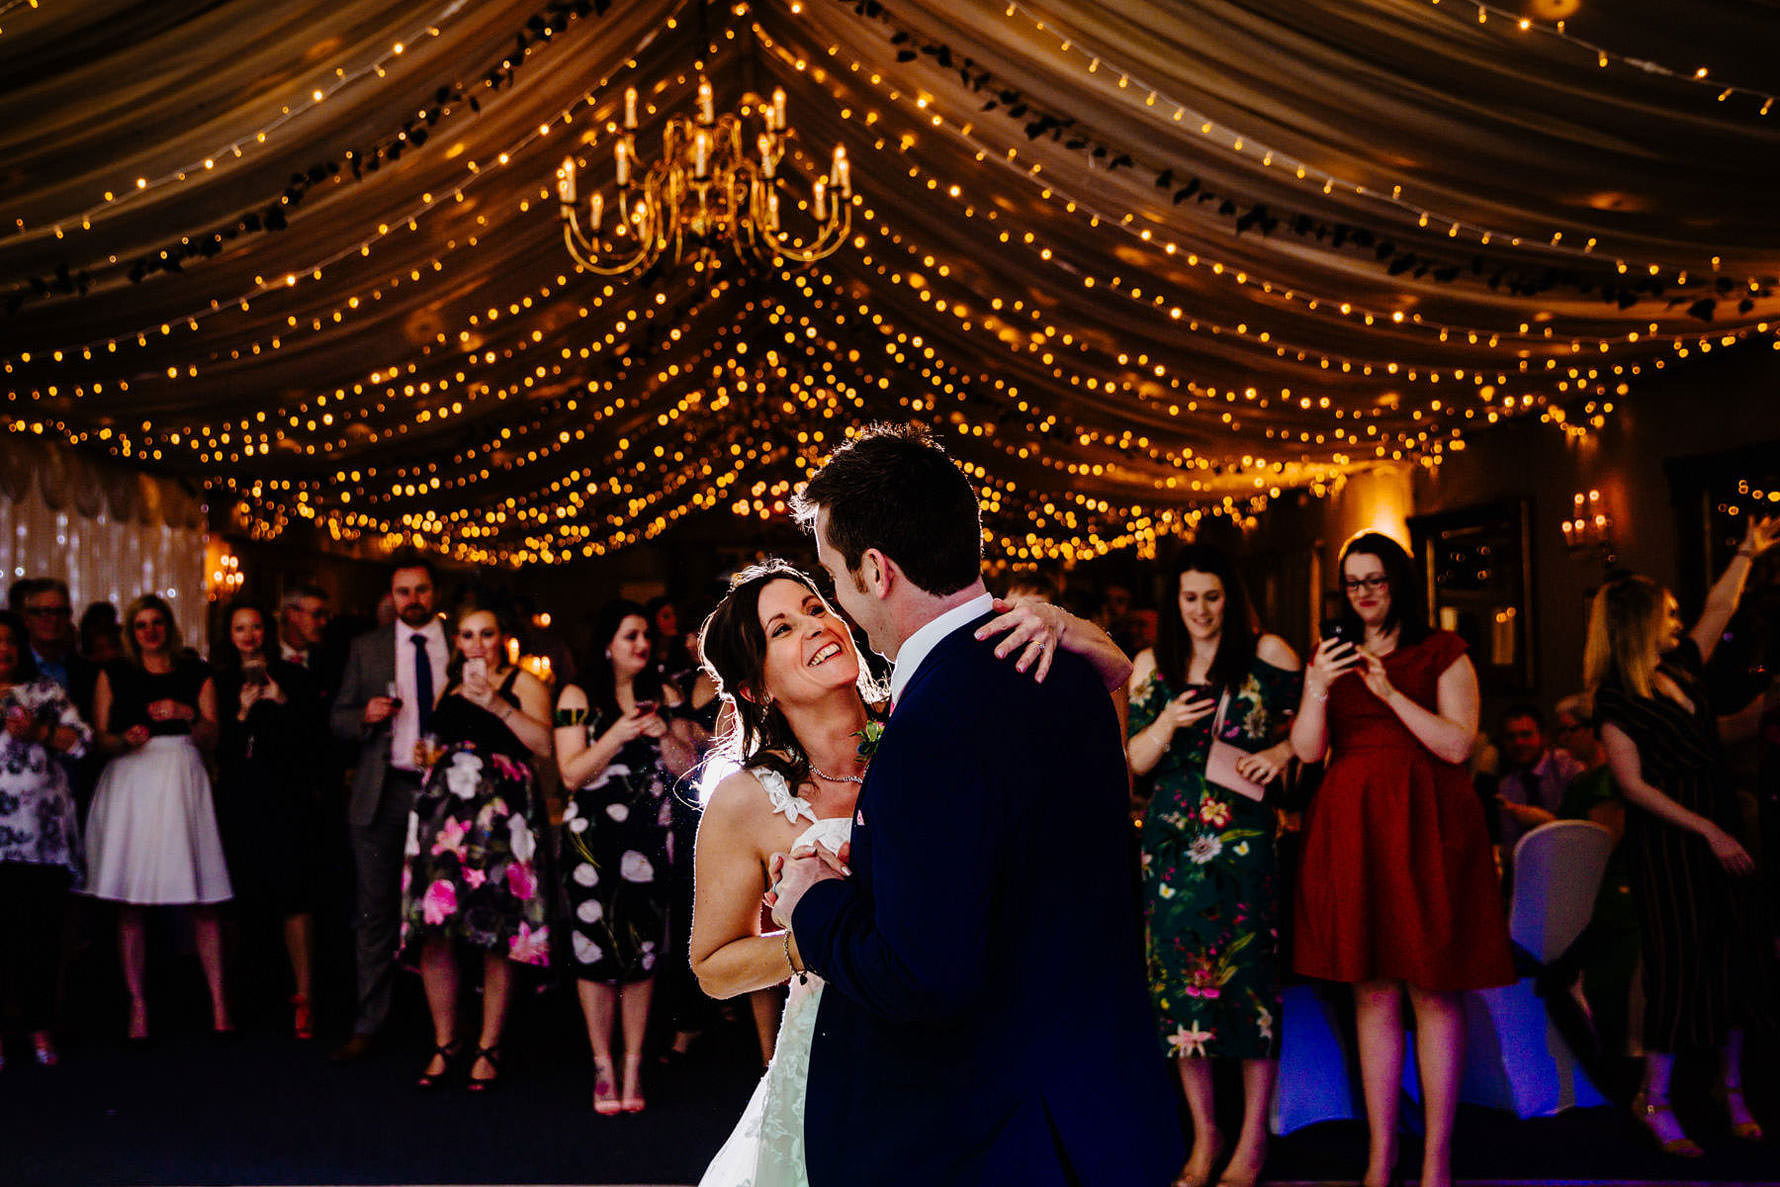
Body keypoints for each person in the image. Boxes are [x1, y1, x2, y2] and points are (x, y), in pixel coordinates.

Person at [761, 426, 1182, 1187]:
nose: (840, 606)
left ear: (877, 570)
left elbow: (924, 975)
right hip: (1098, 1110)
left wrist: (814, 903)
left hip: (999, 1138)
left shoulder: (934, 723)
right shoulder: (1072, 667)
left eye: (835, 577)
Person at [692, 556, 1136, 1186]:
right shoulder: (746, 800)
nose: (816, 627)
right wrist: (814, 933)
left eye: (816, 608)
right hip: (845, 1054)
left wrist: (1059, 623)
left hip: (970, 1029)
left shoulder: (922, 721)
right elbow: (712, 966)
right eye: (782, 630)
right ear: (755, 689)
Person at [1290, 532, 1513, 1187]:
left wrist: (1388, 692)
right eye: (1353, 582)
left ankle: (1437, 1158)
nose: (1363, 593)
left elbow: (1457, 744)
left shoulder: (1443, 650)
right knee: (1372, 992)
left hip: (1426, 828)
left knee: (1434, 991)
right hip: (1354, 828)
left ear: (1399, 583)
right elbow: (1307, 751)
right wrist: (1316, 685)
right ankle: (1380, 1156)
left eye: (1375, 580)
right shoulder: (1330, 655)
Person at [1588, 514, 1777, 1155]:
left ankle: (1731, 1091)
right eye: (1666, 613)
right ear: (1638, 621)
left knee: (1737, 963)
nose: (1677, 621)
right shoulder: (1615, 698)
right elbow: (1635, 788)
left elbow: (1719, 607)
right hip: (1670, 843)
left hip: (1718, 824)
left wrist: (1747, 553)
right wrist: (1710, 833)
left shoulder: (1686, 669)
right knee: (1677, 972)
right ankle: (1656, 1098)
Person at [1125, 545, 1301, 1187]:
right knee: (1177, 993)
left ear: (1233, 596)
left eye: (1213, 596)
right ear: (1176, 601)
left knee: (1248, 986)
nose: (1201, 610)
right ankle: (1206, 1136)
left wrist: (1280, 752)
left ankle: (1253, 1137)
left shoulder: (1271, 654)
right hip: (1172, 843)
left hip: (1244, 841)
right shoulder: (1151, 665)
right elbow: (1133, 763)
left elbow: (1314, 731)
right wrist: (1169, 718)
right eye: (1190, 597)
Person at [554, 599, 699, 1113]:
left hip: (647, 839)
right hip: (591, 840)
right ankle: (602, 1065)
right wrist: (618, 732)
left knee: (642, 953)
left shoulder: (663, 694)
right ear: (608, 644)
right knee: (593, 953)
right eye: (631, 635)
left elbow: (691, 768)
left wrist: (663, 736)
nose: (642, 644)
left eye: (644, 636)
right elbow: (571, 774)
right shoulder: (578, 696)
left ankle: (634, 1063)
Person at [401, 605, 553, 1090]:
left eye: (486, 633)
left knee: (498, 925)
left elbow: (546, 746)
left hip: (501, 820)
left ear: (502, 637)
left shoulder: (524, 682)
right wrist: (432, 755)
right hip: (444, 818)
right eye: (467, 635)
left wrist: (497, 705)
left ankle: (489, 1043)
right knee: (436, 925)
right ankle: (445, 1041)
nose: (476, 644)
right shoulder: (451, 684)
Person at [84, 594, 233, 1042]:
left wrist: (188, 715)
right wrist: (123, 738)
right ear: (131, 632)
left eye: (157, 623)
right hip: (133, 779)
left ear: (169, 626)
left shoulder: (196, 672)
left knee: (203, 895)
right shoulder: (115, 673)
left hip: (183, 776)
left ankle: (220, 1005)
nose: (150, 631)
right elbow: (101, 739)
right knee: (131, 898)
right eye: (141, 625)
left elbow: (213, 736)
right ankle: (138, 1005)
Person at [329, 559, 449, 1062]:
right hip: (385, 791)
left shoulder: (460, 644)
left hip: (446, 792)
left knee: (446, 910)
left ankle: (450, 1025)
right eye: (404, 591)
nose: (413, 599)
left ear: (434, 592)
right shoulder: (368, 647)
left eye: (421, 589)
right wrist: (364, 716)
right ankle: (369, 1022)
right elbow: (336, 719)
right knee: (375, 913)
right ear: (392, 596)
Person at [212, 602, 327, 1039]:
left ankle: (306, 998)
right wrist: (241, 714)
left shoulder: (293, 677)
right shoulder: (220, 682)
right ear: (230, 634)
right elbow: (219, 750)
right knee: (238, 897)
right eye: (240, 628)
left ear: (268, 629)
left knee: (294, 897)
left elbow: (314, 743)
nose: (249, 635)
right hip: (240, 800)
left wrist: (281, 703)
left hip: (286, 799)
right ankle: (238, 996)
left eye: (256, 626)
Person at [0, 610, 91, 1067]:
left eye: (9, 641)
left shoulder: (46, 692)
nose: (3, 650)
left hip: (41, 837)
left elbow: (82, 743)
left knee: (40, 937)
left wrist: (38, 730)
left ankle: (39, 1027)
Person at [1491, 705, 1585, 866]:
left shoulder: (1567, 767)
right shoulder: (1508, 786)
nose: (1518, 743)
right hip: (1534, 868)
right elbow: (1511, 845)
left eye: (1526, 735)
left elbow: (1583, 830)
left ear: (1544, 737)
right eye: (1510, 737)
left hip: (1577, 861)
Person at [12, 580, 99, 720]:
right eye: (44, 612)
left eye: (60, 612)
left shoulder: (86, 671)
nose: (53, 619)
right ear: (27, 619)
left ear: (69, 617)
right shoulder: (12, 666)